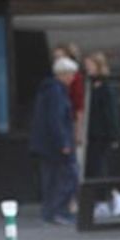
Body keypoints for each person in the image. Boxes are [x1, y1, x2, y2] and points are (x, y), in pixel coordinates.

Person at [30, 56, 80, 226]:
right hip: (55, 145)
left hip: (47, 145)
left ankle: (51, 211)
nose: (73, 78)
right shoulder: (56, 92)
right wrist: (64, 143)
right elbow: (56, 119)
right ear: (64, 74)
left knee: (52, 178)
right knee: (66, 177)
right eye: (71, 74)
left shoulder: (50, 90)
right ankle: (58, 211)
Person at [83, 51, 120, 218]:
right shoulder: (92, 85)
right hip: (92, 134)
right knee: (95, 168)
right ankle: (102, 200)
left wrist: (114, 134)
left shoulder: (105, 87)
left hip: (102, 134)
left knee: (100, 168)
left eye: (90, 65)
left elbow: (111, 112)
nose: (88, 69)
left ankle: (111, 196)